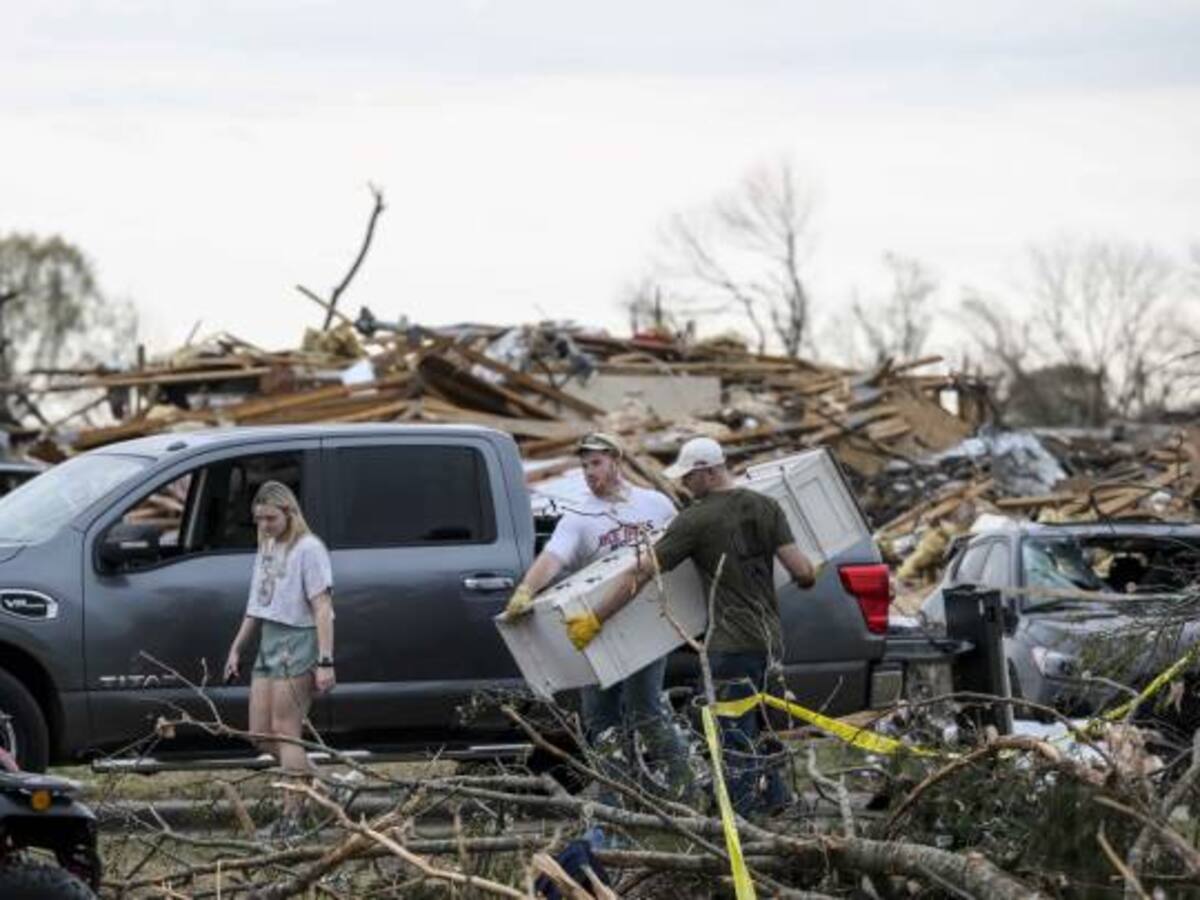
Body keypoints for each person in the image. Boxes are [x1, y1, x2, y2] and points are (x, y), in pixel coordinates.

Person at [566, 436, 817, 817]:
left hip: (729, 643)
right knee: (756, 720)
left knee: (727, 731)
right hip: (769, 640)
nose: (684, 484)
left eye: (689, 476)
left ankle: (740, 817)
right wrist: (810, 571)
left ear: (708, 472)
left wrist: (597, 617)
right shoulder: (767, 506)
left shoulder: (695, 519)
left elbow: (642, 572)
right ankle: (778, 797)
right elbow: (803, 572)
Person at [503, 432, 693, 802]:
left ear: (616, 461)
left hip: (648, 625)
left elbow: (683, 548)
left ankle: (687, 790)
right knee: (601, 718)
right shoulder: (580, 516)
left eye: (597, 463)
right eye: (584, 465)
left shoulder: (655, 505)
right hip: (598, 627)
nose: (590, 472)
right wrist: (527, 589)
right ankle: (615, 801)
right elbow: (553, 558)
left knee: (646, 709)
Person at [224, 481, 335, 838]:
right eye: (259, 520)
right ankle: (331, 785)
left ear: (289, 512)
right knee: (260, 733)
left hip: (297, 639)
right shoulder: (268, 546)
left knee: (287, 731)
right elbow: (257, 603)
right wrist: (237, 647)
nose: (265, 525)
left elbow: (322, 608)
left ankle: (292, 818)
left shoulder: (309, 549)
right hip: (269, 639)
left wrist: (325, 660)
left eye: (270, 518)